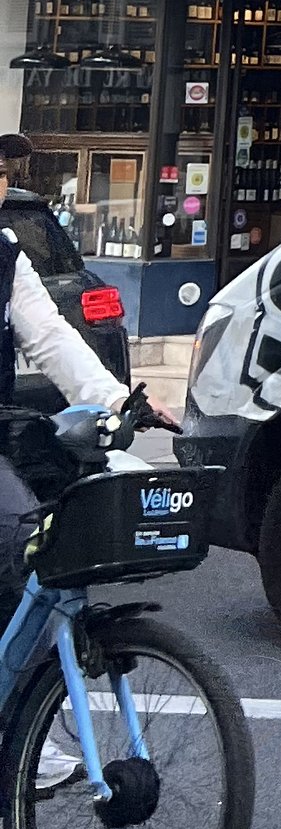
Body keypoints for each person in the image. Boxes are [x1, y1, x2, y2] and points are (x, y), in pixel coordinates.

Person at [0, 133, 136, 601]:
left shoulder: (5, 255)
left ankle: (38, 668)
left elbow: (51, 336)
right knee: (17, 537)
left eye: (2, 174)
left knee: (41, 535)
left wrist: (115, 397)